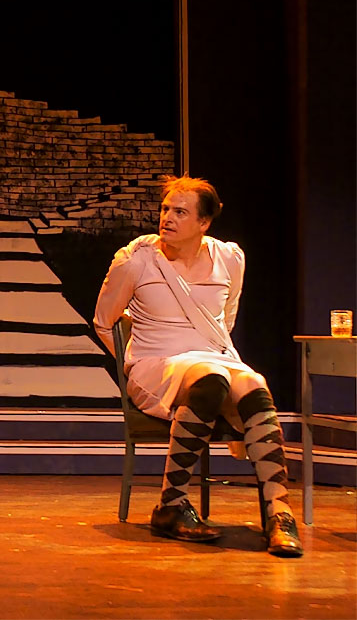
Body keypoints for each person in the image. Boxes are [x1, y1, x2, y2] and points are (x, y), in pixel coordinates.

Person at [93, 174, 303, 557]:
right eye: (165, 209)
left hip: (211, 359)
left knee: (253, 384)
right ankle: (171, 504)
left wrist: (213, 353)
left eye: (180, 212)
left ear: (204, 222)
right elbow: (104, 322)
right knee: (209, 378)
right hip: (153, 363)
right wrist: (128, 365)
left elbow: (226, 319)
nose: (167, 218)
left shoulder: (229, 258)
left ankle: (278, 511)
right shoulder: (136, 260)